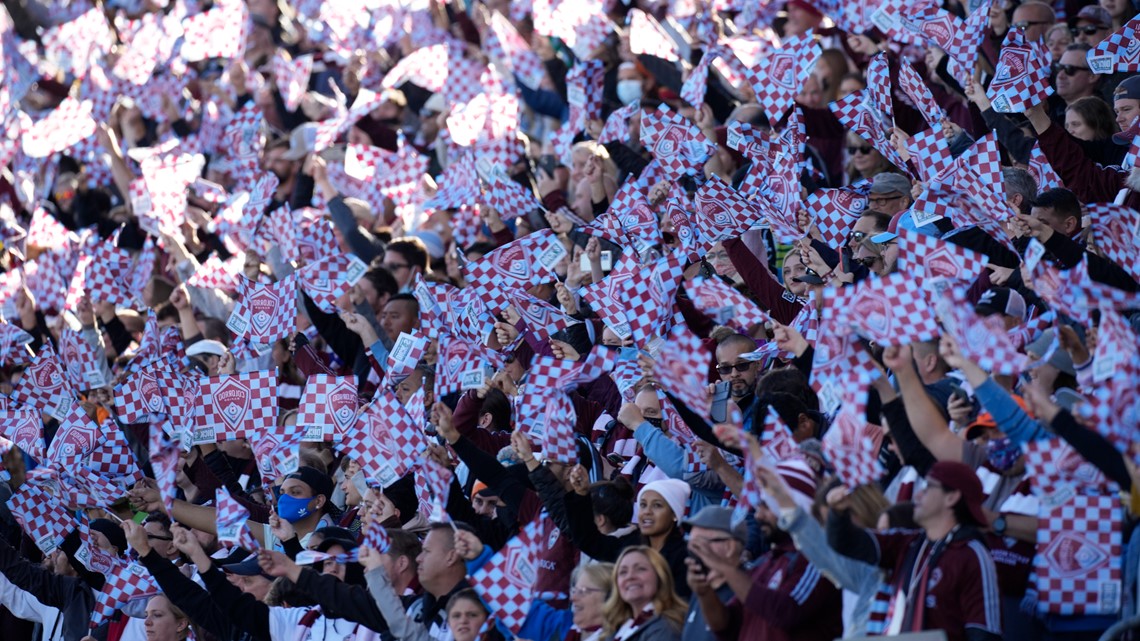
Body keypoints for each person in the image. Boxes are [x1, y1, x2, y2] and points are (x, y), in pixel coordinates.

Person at [827, 461, 1003, 641]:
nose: (917, 495)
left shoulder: (972, 554)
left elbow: (984, 632)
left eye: (928, 487)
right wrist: (838, 514)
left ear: (951, 497)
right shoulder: (908, 543)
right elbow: (845, 542)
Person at [602, 546, 686, 641]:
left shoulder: (666, 626)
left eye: (640, 569)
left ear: (660, 576)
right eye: (623, 572)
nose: (630, 576)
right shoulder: (616, 627)